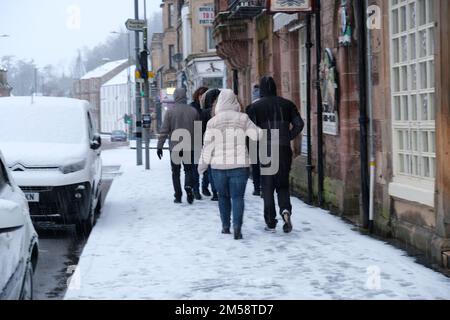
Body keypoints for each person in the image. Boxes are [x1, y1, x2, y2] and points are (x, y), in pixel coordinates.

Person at [198, 89, 262, 240]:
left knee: (223, 197)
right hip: (240, 166)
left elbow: (207, 146)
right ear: (235, 101)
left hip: (218, 167)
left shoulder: (212, 122)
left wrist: (202, 165)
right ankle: (237, 226)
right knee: (238, 197)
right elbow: (257, 135)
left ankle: (225, 226)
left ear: (219, 103)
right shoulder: (243, 118)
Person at [247, 76, 304, 233]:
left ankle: (271, 221)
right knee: (283, 184)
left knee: (268, 186)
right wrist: (288, 136)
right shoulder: (287, 105)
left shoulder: (254, 108)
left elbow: (250, 132)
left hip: (265, 149)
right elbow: (299, 124)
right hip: (284, 149)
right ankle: (285, 210)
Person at [157, 88, 200, 204]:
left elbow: (164, 130)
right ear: (185, 96)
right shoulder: (193, 111)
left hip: (175, 147)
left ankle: (178, 195)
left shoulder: (170, 112)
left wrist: (159, 146)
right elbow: (198, 131)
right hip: (189, 146)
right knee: (189, 170)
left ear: (175, 97)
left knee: (175, 172)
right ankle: (188, 187)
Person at [200, 88, 221, 201]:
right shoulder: (222, 112)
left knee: (211, 169)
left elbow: (200, 130)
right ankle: (218, 190)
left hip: (208, 143)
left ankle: (214, 191)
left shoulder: (204, 113)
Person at [190, 86, 209, 200]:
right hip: (195, 140)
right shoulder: (193, 107)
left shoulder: (210, 108)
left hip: (207, 140)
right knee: (195, 167)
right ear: (197, 96)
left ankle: (205, 187)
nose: (202, 97)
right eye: (201, 95)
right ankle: (196, 190)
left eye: (205, 95)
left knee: (208, 166)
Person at [246, 84, 262, 196]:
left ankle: (257, 188)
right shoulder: (267, 106)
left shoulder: (250, 108)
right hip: (266, 138)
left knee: (255, 165)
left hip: (252, 140)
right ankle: (266, 186)